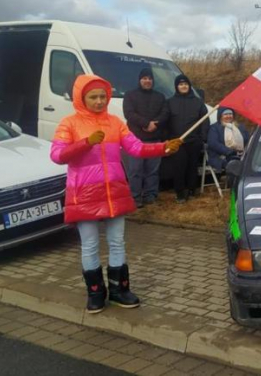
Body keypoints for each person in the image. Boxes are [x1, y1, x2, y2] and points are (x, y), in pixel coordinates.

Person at [50, 75, 182, 313]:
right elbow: (57, 156)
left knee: (117, 242)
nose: (100, 101)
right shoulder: (69, 123)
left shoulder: (115, 122)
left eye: (103, 96)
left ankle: (120, 290)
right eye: (93, 97)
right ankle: (95, 294)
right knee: (90, 245)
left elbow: (137, 147)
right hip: (84, 194)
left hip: (114, 191)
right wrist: (86, 143)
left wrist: (163, 147)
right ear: (82, 97)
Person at [122, 68, 168, 208]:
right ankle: (135, 197)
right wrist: (146, 124)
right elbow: (129, 114)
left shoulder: (160, 96)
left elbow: (165, 113)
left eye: (149, 78)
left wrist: (155, 124)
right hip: (135, 141)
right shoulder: (130, 95)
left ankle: (151, 195)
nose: (147, 81)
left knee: (153, 171)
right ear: (139, 80)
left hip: (154, 140)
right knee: (135, 171)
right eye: (144, 78)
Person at [167, 74, 209, 203]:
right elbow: (166, 121)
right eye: (180, 84)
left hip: (194, 141)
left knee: (192, 166)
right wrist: (168, 139)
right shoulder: (170, 102)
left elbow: (204, 120)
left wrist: (202, 138)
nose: (183, 86)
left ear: (189, 86)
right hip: (177, 142)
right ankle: (180, 192)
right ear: (176, 87)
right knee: (179, 167)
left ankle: (191, 189)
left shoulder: (198, 102)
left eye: (185, 84)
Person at [206, 107, 249, 171]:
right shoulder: (215, 128)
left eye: (230, 114)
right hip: (221, 156)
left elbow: (247, 140)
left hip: (240, 155)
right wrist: (229, 152)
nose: (228, 116)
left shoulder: (240, 127)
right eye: (225, 114)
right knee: (235, 166)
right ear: (220, 116)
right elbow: (213, 143)